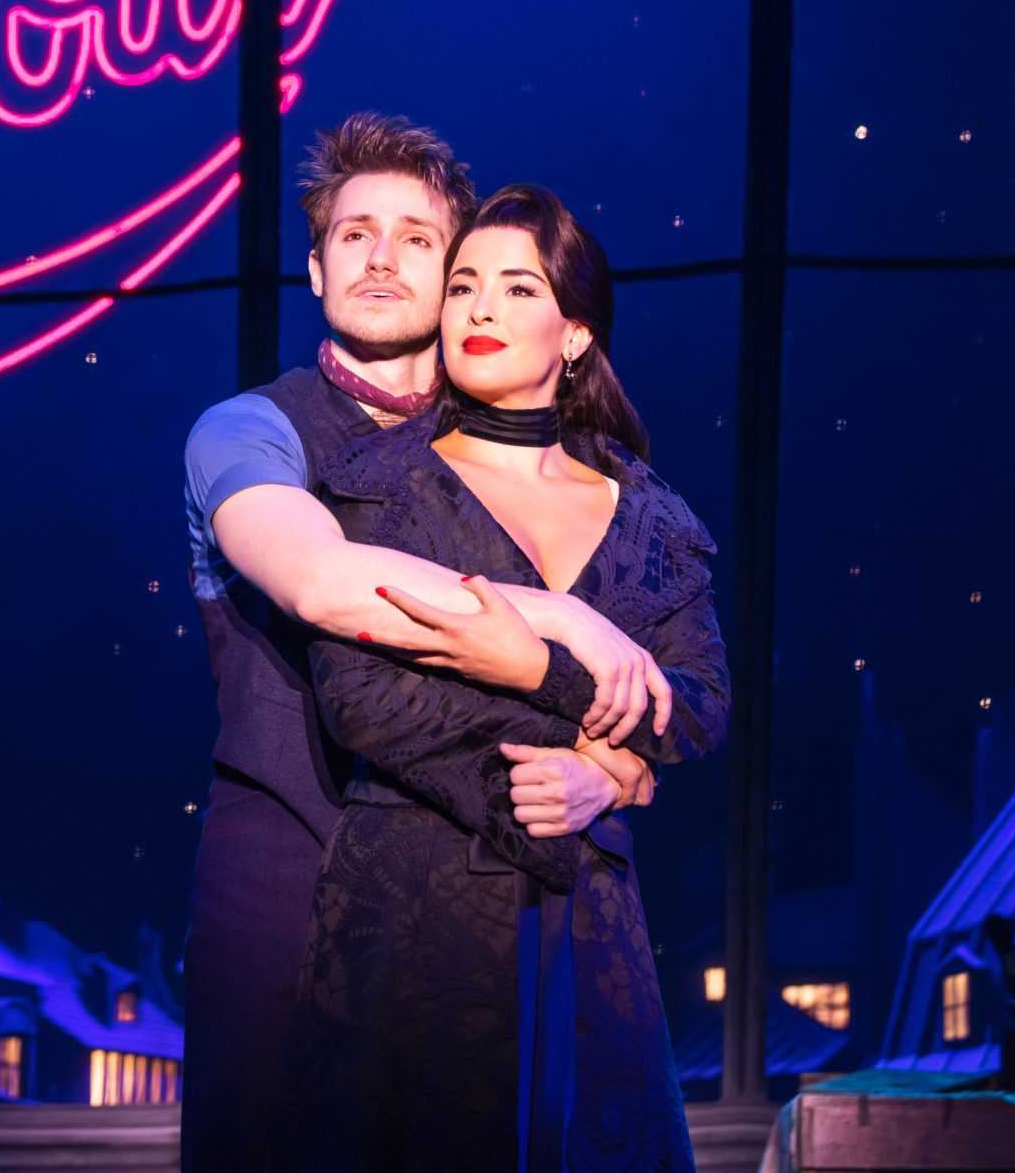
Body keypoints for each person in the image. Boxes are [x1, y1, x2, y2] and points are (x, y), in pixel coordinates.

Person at [180, 122, 670, 1173]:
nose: (379, 256)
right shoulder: (245, 429)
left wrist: (607, 767)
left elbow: (666, 682)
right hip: (282, 866)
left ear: (459, 277)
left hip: (473, 883)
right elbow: (320, 580)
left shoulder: (524, 444)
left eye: (414, 237)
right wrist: (560, 620)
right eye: (353, 233)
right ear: (314, 268)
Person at [270, 183, 731, 1173]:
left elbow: (697, 703)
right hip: (410, 910)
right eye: (465, 284)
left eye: (516, 288)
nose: (478, 309)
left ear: (573, 333)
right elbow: (363, 699)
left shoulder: (647, 509)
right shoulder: (374, 484)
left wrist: (591, 767)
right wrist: (590, 757)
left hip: (591, 923)